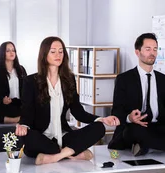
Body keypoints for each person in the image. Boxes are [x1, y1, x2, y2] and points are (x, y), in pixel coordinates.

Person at [15, 36, 120, 165]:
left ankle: (56, 156)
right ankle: (73, 153)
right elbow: (27, 111)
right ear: (44, 54)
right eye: (53, 51)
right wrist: (23, 125)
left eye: (61, 51)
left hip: (63, 135)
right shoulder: (31, 81)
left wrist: (101, 119)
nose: (58, 55)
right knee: (28, 137)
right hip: (41, 137)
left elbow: (78, 111)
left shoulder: (68, 79)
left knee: (99, 128)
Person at [0, 41, 27, 124]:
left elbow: (26, 89)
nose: (11, 52)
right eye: (8, 51)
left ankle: (9, 119)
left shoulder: (21, 69)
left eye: (13, 50)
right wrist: (3, 100)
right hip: (6, 104)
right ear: (2, 53)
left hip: (19, 103)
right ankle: (16, 119)